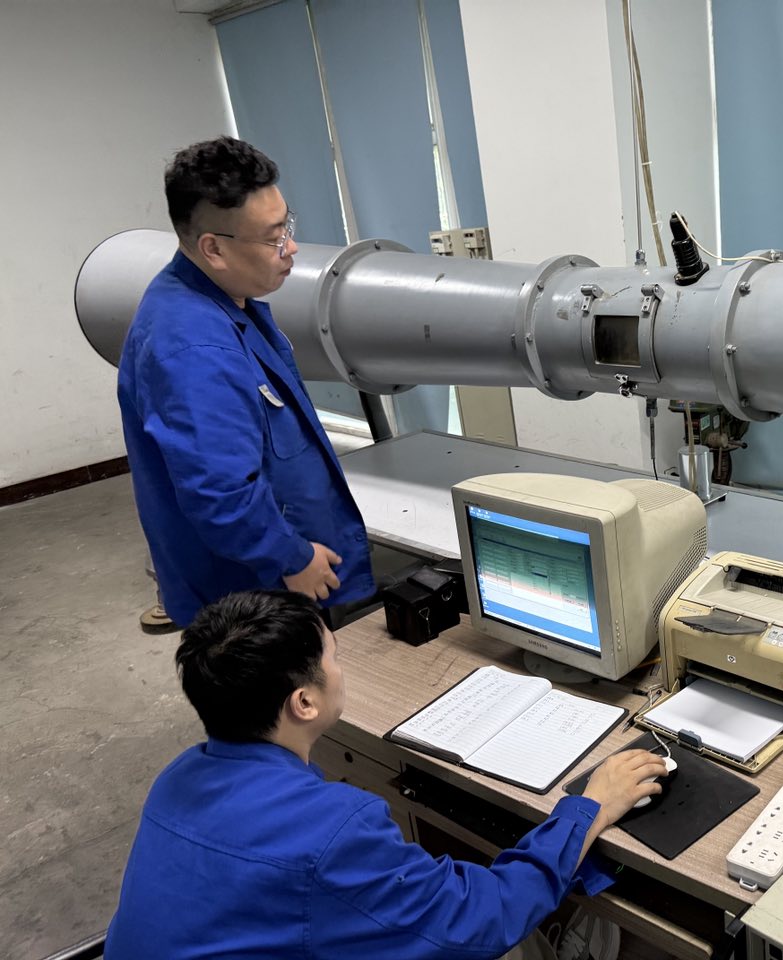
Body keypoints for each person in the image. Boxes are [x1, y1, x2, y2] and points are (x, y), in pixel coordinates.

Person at [105, 590, 668, 958]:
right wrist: (587, 809)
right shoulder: (333, 834)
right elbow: (480, 917)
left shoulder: (176, 778)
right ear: (304, 703)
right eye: (334, 658)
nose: (341, 669)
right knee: (511, 943)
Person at [117, 136, 370, 628]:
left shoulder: (226, 302)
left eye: (287, 226)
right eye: (274, 238)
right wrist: (291, 557)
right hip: (251, 596)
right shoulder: (195, 349)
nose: (290, 247)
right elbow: (219, 494)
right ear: (213, 248)